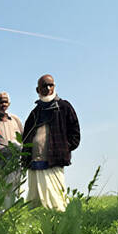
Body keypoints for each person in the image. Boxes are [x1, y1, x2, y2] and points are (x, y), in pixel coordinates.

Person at [21, 74, 81, 211]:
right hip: (34, 163)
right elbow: (26, 137)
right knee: (34, 203)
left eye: (50, 85)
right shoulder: (35, 112)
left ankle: (59, 224)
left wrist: (63, 149)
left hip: (53, 161)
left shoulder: (64, 107)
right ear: (38, 90)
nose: (48, 88)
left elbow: (75, 133)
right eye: (44, 86)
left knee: (57, 202)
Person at [0, 91, 25, 208]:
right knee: (2, 187)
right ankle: (3, 212)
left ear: (9, 104)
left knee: (15, 185)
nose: (3, 105)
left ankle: (13, 210)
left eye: (5, 102)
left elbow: (23, 137)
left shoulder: (15, 120)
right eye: (0, 102)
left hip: (15, 158)